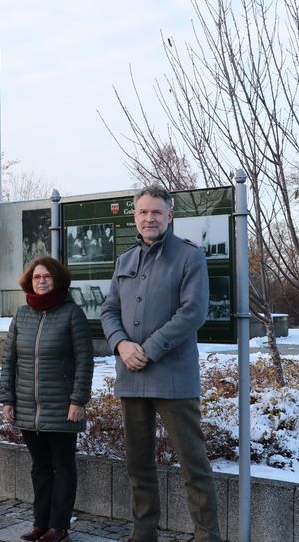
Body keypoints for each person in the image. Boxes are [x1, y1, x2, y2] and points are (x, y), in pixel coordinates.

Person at [99, 186, 221, 542]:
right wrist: (121, 344)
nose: (149, 218)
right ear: (134, 217)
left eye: (156, 212)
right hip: (131, 378)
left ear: (170, 216)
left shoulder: (188, 257)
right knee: (138, 464)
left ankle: (207, 535)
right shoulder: (124, 261)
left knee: (193, 465)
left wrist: (147, 349)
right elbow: (108, 311)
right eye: (142, 212)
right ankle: (144, 532)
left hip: (173, 379)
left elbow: (193, 312)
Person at [0, 257, 94, 542]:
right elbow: (10, 359)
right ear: (30, 280)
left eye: (47, 276)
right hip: (28, 406)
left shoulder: (71, 313)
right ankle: (41, 523)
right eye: (37, 276)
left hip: (63, 407)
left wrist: (78, 400)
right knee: (39, 467)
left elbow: (84, 360)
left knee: (63, 467)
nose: (41, 280)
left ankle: (59, 527)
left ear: (57, 280)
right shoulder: (22, 314)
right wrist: (8, 399)